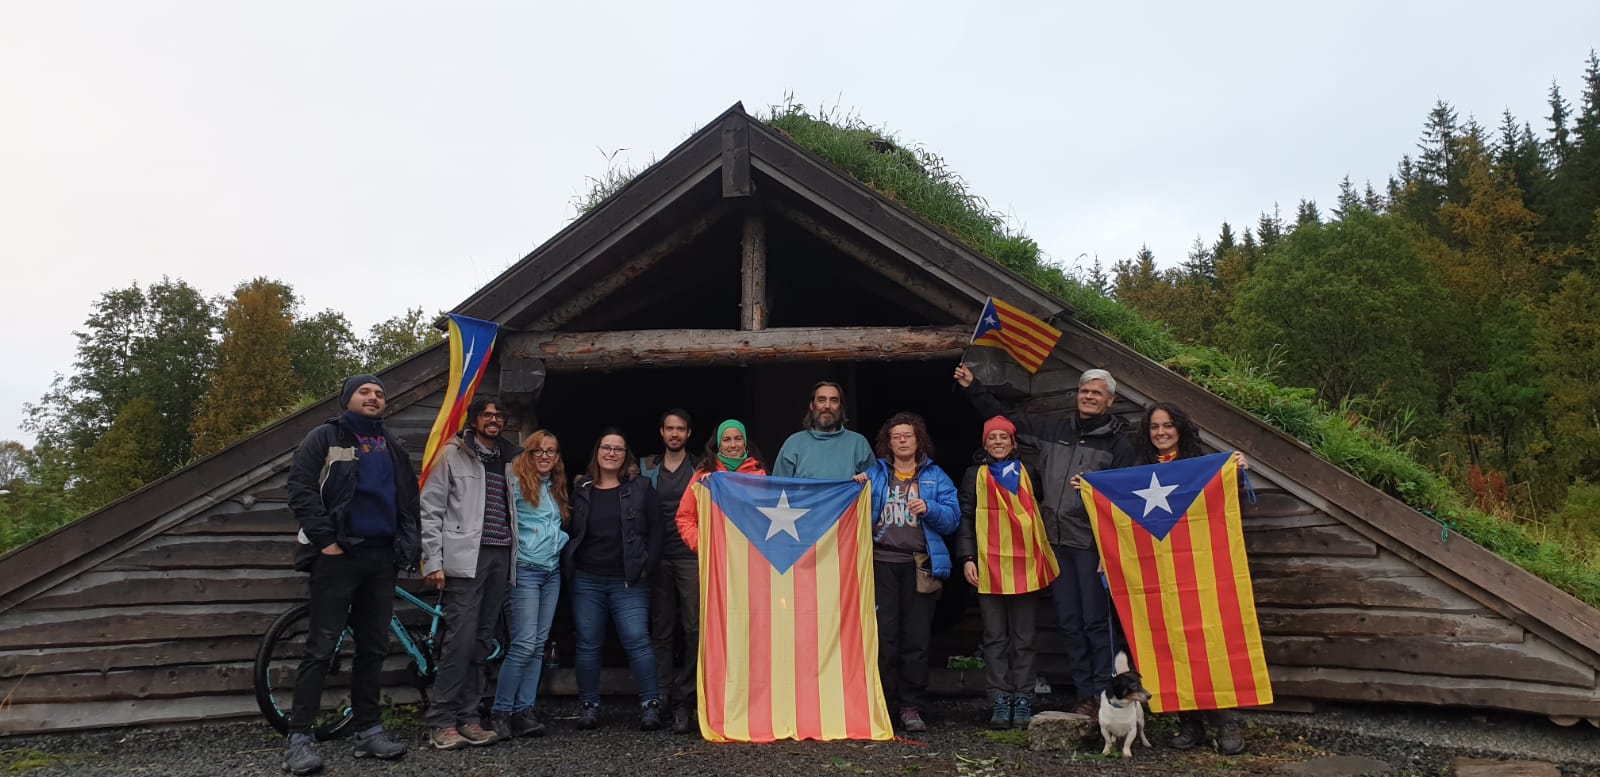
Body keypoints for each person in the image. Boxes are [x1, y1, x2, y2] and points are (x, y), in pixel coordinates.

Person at [953, 363, 1134, 717]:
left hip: (1091, 545)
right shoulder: (1054, 429)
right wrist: (974, 387)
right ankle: (1084, 695)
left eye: (1096, 393)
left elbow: (1124, 498)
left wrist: (1111, 548)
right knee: (1069, 622)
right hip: (1054, 545)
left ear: (1110, 401)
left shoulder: (1119, 445)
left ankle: (1104, 695)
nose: (1088, 397)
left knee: (1096, 622)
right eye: (1084, 391)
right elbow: (1005, 421)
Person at [281, 374, 419, 775]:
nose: (373, 397)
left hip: (381, 557)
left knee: (373, 648)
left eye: (379, 393)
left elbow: (408, 500)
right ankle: (299, 739)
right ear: (347, 399)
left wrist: (407, 544)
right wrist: (326, 540)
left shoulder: (393, 445)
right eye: (364, 392)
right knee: (321, 647)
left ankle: (368, 732)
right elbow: (300, 488)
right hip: (337, 556)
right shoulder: (325, 437)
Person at [1135, 402, 1248, 756]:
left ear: (1180, 428)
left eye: (1168, 425)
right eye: (1155, 427)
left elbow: (1226, 501)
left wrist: (1235, 472)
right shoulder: (1140, 472)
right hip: (1159, 573)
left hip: (1201, 570)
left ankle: (1226, 721)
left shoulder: (1200, 466)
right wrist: (1090, 490)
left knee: (1209, 643)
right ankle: (1190, 724)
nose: (1161, 432)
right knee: (1170, 645)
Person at [419, 396, 522, 749]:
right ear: (474, 419)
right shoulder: (452, 453)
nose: (493, 420)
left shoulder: (509, 459)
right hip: (465, 558)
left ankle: (469, 717)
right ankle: (442, 721)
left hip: (499, 555)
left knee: (482, 641)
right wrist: (433, 561)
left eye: (498, 415)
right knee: (460, 640)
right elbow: (430, 508)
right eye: (486, 414)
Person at [856, 412, 959, 733]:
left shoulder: (936, 476)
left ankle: (911, 706)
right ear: (887, 442)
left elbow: (953, 519)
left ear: (918, 440)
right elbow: (852, 508)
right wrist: (854, 487)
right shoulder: (874, 475)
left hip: (919, 566)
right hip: (880, 565)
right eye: (896, 436)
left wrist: (930, 508)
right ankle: (884, 706)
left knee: (916, 640)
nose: (902, 441)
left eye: (908, 435)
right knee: (884, 638)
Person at [955, 416, 1058, 729]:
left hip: (1025, 564)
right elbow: (966, 517)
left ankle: (1023, 696)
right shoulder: (974, 474)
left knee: (1024, 637)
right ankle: (999, 697)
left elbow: (1042, 513)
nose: (998, 442)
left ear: (1013, 443)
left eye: (1003, 437)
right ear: (984, 443)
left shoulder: (1029, 472)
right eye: (992, 437)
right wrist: (967, 558)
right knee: (995, 637)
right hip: (989, 565)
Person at [563, 429, 665, 730]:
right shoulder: (581, 489)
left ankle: (650, 704)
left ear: (626, 455)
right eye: (606, 447)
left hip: (628, 579)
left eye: (618, 449)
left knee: (637, 639)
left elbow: (657, 530)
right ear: (597, 452)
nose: (611, 453)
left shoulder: (641, 487)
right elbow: (569, 529)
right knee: (588, 642)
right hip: (587, 579)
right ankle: (589, 705)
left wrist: (647, 566)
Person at [489, 429, 569, 740]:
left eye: (551, 451)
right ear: (528, 453)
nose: (545, 456)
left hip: (551, 571)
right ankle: (501, 711)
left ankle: (525, 710)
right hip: (525, 569)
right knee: (522, 643)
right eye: (539, 450)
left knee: (537, 645)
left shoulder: (555, 487)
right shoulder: (516, 483)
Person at [639, 410, 701, 734]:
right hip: (657, 557)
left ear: (689, 434)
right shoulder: (647, 468)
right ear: (661, 432)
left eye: (681, 429)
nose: (675, 434)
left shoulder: (701, 469)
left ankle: (686, 698)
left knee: (694, 629)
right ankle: (660, 696)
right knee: (661, 630)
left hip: (691, 556)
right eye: (670, 429)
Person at [675, 419, 769, 551]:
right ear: (719, 444)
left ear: (745, 442)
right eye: (726, 440)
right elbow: (685, 516)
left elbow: (768, 519)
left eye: (738, 439)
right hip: (715, 556)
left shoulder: (760, 476)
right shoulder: (705, 476)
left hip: (750, 556)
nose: (733, 445)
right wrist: (702, 545)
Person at [772, 381, 873, 479]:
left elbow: (875, 483)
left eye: (833, 400)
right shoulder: (793, 444)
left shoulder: (858, 444)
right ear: (812, 405)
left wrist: (862, 480)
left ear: (840, 407)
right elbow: (778, 487)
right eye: (821, 400)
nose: (827, 406)